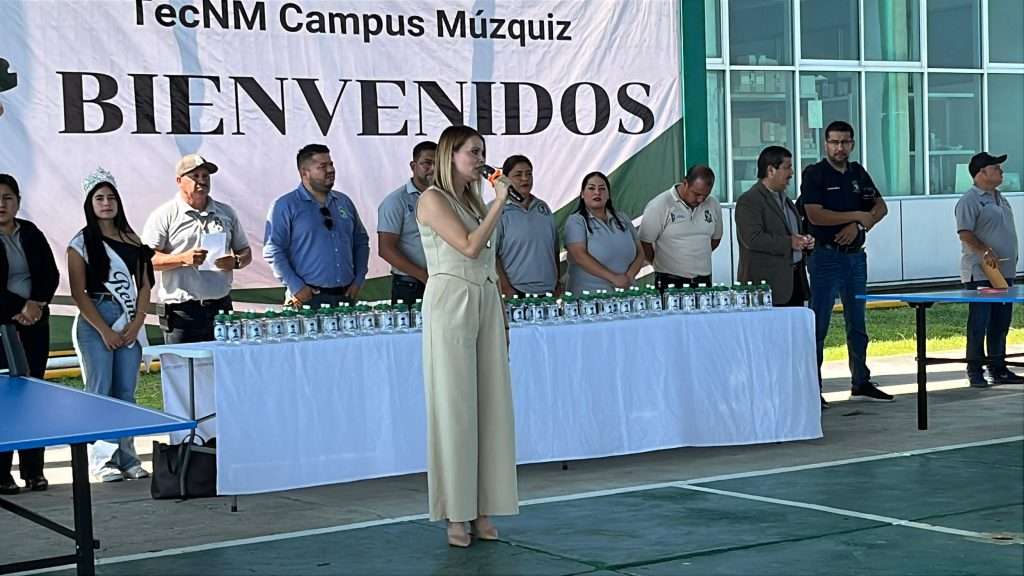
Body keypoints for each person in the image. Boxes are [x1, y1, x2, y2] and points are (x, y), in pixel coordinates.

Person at [415, 125, 518, 547]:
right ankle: (456, 512)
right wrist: (500, 203)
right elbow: (469, 246)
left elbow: (487, 262)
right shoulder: (432, 199)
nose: (480, 159)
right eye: (473, 152)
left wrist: (503, 318)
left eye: (482, 151)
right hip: (451, 301)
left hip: (485, 299)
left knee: (490, 405)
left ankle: (483, 507)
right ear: (451, 155)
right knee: (455, 407)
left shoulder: (473, 201)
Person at [68, 168, 154, 482]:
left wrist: (137, 321)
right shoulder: (80, 243)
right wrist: (104, 330)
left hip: (128, 318)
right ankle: (102, 460)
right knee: (100, 391)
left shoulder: (133, 239)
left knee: (126, 392)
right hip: (96, 319)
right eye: (99, 198)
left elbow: (144, 285)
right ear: (90, 204)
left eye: (111, 198)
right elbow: (78, 292)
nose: (106, 203)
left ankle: (128, 458)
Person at [799, 120, 891, 402]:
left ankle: (861, 381)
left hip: (854, 258)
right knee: (819, 324)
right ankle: (812, 389)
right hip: (825, 257)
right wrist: (856, 215)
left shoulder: (857, 173)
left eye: (845, 142)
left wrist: (859, 225)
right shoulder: (815, 174)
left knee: (858, 323)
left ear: (852, 144)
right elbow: (814, 215)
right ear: (825, 144)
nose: (840, 147)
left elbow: (880, 207)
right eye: (834, 142)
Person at [142, 154, 252, 344]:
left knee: (223, 362)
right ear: (179, 181)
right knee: (182, 363)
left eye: (205, 176)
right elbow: (146, 260)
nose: (202, 181)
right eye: (195, 176)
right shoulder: (164, 215)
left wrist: (236, 261)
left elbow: (245, 251)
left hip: (221, 309)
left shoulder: (226, 212)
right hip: (181, 312)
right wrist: (182, 259)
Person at [0, 173, 59, 494]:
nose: (1, 204)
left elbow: (50, 273)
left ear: (18, 202)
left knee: (33, 396)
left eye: (7, 198)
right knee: (5, 401)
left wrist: (36, 304)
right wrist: (19, 307)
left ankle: (34, 471)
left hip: (36, 324)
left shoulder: (31, 232)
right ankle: (1, 474)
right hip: (3, 328)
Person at [264, 144, 369, 308]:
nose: (330, 170)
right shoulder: (285, 206)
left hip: (346, 296)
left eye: (331, 164)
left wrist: (359, 280)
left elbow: (361, 241)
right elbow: (273, 249)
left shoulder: (344, 202)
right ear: (304, 173)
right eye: (322, 166)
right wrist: (296, 286)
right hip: (308, 298)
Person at [954, 152, 1022, 387]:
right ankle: (975, 370)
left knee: (1000, 322)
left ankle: (998, 367)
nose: (1001, 171)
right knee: (979, 322)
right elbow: (965, 233)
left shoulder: (1000, 198)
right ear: (981, 173)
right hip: (982, 273)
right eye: (995, 168)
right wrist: (984, 250)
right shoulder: (970, 200)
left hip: (1004, 273)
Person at [735, 146, 813, 307]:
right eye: (787, 167)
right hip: (767, 289)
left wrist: (805, 241)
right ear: (770, 170)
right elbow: (752, 239)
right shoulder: (749, 201)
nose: (791, 173)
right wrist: (790, 242)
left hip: (793, 284)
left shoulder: (786, 200)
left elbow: (791, 233)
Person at [639, 165, 722, 290]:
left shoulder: (713, 204)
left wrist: (696, 256)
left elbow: (716, 239)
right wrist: (658, 263)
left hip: (703, 279)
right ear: (685, 183)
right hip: (669, 280)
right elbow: (644, 242)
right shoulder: (660, 205)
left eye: (705, 195)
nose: (700, 199)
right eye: (696, 194)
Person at [565, 172, 645, 294]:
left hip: (625, 294)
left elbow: (640, 252)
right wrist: (613, 278)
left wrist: (629, 277)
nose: (597, 192)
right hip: (589, 297)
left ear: (608, 195)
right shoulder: (576, 221)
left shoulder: (622, 218)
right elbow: (579, 256)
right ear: (582, 194)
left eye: (602, 189)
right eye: (591, 188)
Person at [494, 155, 561, 297]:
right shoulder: (497, 210)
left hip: (549, 292)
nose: (525, 179)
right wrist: (506, 288)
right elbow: (492, 256)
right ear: (505, 179)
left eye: (529, 174)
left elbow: (554, 249)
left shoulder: (543, 207)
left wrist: (557, 282)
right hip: (516, 293)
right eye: (518, 175)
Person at [378, 141, 434, 306]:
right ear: (413, 166)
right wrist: (423, 276)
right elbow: (386, 249)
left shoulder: (448, 199)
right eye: (427, 163)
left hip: (442, 281)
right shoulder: (396, 201)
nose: (433, 168)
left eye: (438, 163)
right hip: (410, 285)